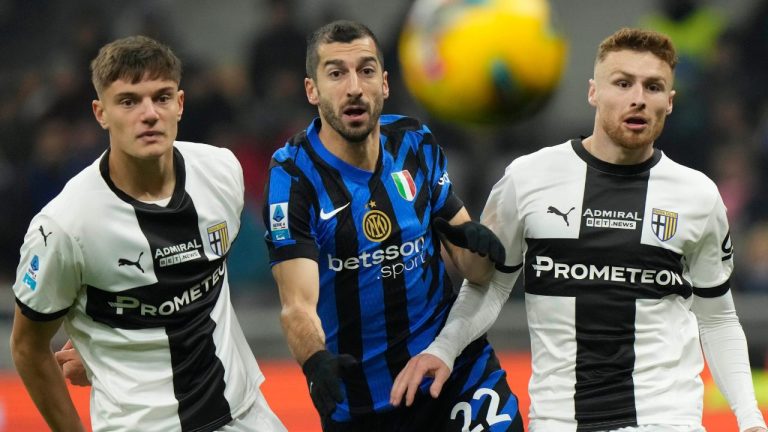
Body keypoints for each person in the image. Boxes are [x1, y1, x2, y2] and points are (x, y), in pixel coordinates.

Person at [391, 27, 768, 432]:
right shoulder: (528, 179)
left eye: (653, 86)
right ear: (593, 92)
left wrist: (750, 421)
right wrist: (444, 350)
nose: (638, 97)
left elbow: (717, 318)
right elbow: (491, 285)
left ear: (670, 102)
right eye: (622, 83)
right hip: (559, 422)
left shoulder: (697, 196)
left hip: (667, 420)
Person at [10, 35, 286, 432]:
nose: (149, 113)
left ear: (180, 104)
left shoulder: (222, 172)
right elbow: (26, 347)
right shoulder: (66, 226)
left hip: (246, 416)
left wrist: (105, 352)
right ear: (99, 112)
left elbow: (194, 296)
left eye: (161, 97)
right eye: (128, 101)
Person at [262, 20, 523, 431]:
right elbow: (297, 305)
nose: (353, 88)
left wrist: (477, 246)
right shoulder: (292, 176)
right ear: (312, 90)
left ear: (384, 84)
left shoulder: (414, 142)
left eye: (366, 71)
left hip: (454, 374)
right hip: (364, 403)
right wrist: (315, 360)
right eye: (336, 73)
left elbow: (476, 272)